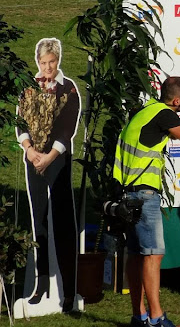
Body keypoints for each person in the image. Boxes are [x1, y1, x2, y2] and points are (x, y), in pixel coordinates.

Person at [114, 77, 180, 327]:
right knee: (153, 256)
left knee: (136, 256)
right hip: (144, 195)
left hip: (128, 194)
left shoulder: (150, 111)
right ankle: (156, 318)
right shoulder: (164, 115)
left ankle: (139, 316)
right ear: (176, 101)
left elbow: (176, 131)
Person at [17, 38, 81, 313]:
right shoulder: (28, 87)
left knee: (63, 223)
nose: (47, 67)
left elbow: (67, 127)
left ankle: (68, 290)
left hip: (58, 161)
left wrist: (49, 157)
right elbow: (20, 122)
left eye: (51, 62)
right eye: (43, 63)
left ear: (58, 60)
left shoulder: (69, 89)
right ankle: (41, 284)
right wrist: (30, 150)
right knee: (38, 220)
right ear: (37, 62)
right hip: (34, 159)